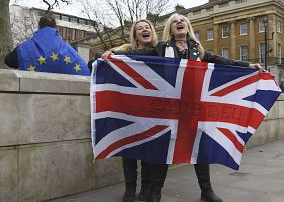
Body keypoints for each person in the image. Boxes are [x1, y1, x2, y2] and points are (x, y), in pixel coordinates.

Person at [146, 13, 262, 202]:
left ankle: (206, 191)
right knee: (165, 146)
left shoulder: (197, 50)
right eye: (175, 21)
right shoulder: (161, 48)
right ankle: (156, 191)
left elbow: (222, 61)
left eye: (182, 20)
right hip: (170, 107)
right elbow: (138, 55)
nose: (179, 22)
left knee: (199, 146)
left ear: (188, 26)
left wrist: (248, 65)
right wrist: (111, 55)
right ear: (170, 28)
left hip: (194, 106)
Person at [102, 19, 158, 202]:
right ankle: (130, 188)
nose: (144, 29)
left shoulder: (161, 50)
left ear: (152, 32)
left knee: (149, 149)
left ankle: (147, 186)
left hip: (152, 108)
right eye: (140, 28)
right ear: (135, 35)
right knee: (129, 148)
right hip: (129, 107)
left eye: (147, 27)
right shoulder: (124, 52)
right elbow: (92, 64)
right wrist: (109, 53)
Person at [4, 15, 90, 76]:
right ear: (55, 28)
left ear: (39, 27)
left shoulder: (24, 48)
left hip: (31, 98)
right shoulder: (69, 50)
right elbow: (84, 71)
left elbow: (8, 61)